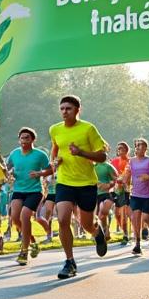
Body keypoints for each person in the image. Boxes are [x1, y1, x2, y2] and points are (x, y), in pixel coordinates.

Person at [48, 95, 110, 278]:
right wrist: (55, 161)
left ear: (77, 110)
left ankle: (97, 232)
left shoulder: (88, 129)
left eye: (68, 108)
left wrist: (81, 152)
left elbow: (102, 157)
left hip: (86, 183)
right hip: (65, 181)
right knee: (62, 219)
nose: (64, 112)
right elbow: (55, 148)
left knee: (86, 224)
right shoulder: (55, 129)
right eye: (62, 108)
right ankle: (69, 262)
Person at [7, 127, 51, 266]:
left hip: (35, 190)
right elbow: (8, 169)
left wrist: (39, 174)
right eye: (22, 138)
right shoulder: (14, 154)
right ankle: (32, 242)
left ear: (33, 139)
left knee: (25, 215)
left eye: (27, 138)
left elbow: (50, 169)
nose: (24, 140)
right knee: (15, 218)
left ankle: (24, 251)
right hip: (18, 190)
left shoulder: (40, 154)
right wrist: (10, 174)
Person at [125, 138, 149, 255]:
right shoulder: (131, 161)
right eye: (136, 146)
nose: (138, 148)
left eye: (140, 146)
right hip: (135, 194)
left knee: (146, 219)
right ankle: (137, 244)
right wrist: (123, 181)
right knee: (136, 219)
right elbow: (128, 175)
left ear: (146, 148)